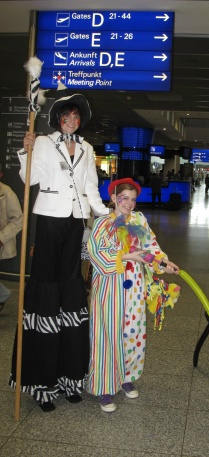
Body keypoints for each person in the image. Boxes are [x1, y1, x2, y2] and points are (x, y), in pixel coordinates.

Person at [9, 83, 110, 412]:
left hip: (75, 222)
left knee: (70, 291)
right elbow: (29, 179)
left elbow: (91, 188)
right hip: (49, 221)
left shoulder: (87, 148)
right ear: (58, 118)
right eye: (67, 115)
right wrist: (25, 152)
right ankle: (42, 384)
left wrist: (108, 217)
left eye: (76, 116)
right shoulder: (42, 141)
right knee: (46, 291)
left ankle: (69, 378)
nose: (72, 120)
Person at [86, 178, 179, 412]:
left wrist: (163, 262)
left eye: (133, 199)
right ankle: (105, 388)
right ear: (114, 198)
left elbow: (150, 247)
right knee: (108, 334)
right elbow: (97, 255)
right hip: (110, 287)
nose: (129, 203)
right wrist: (130, 257)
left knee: (133, 331)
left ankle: (126, 377)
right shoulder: (102, 223)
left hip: (135, 285)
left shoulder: (139, 220)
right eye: (124, 198)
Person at [0, 162, 23, 312]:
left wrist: (1, 238)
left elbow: (18, 220)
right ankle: (3, 294)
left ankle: (3, 295)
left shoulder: (7, 193)